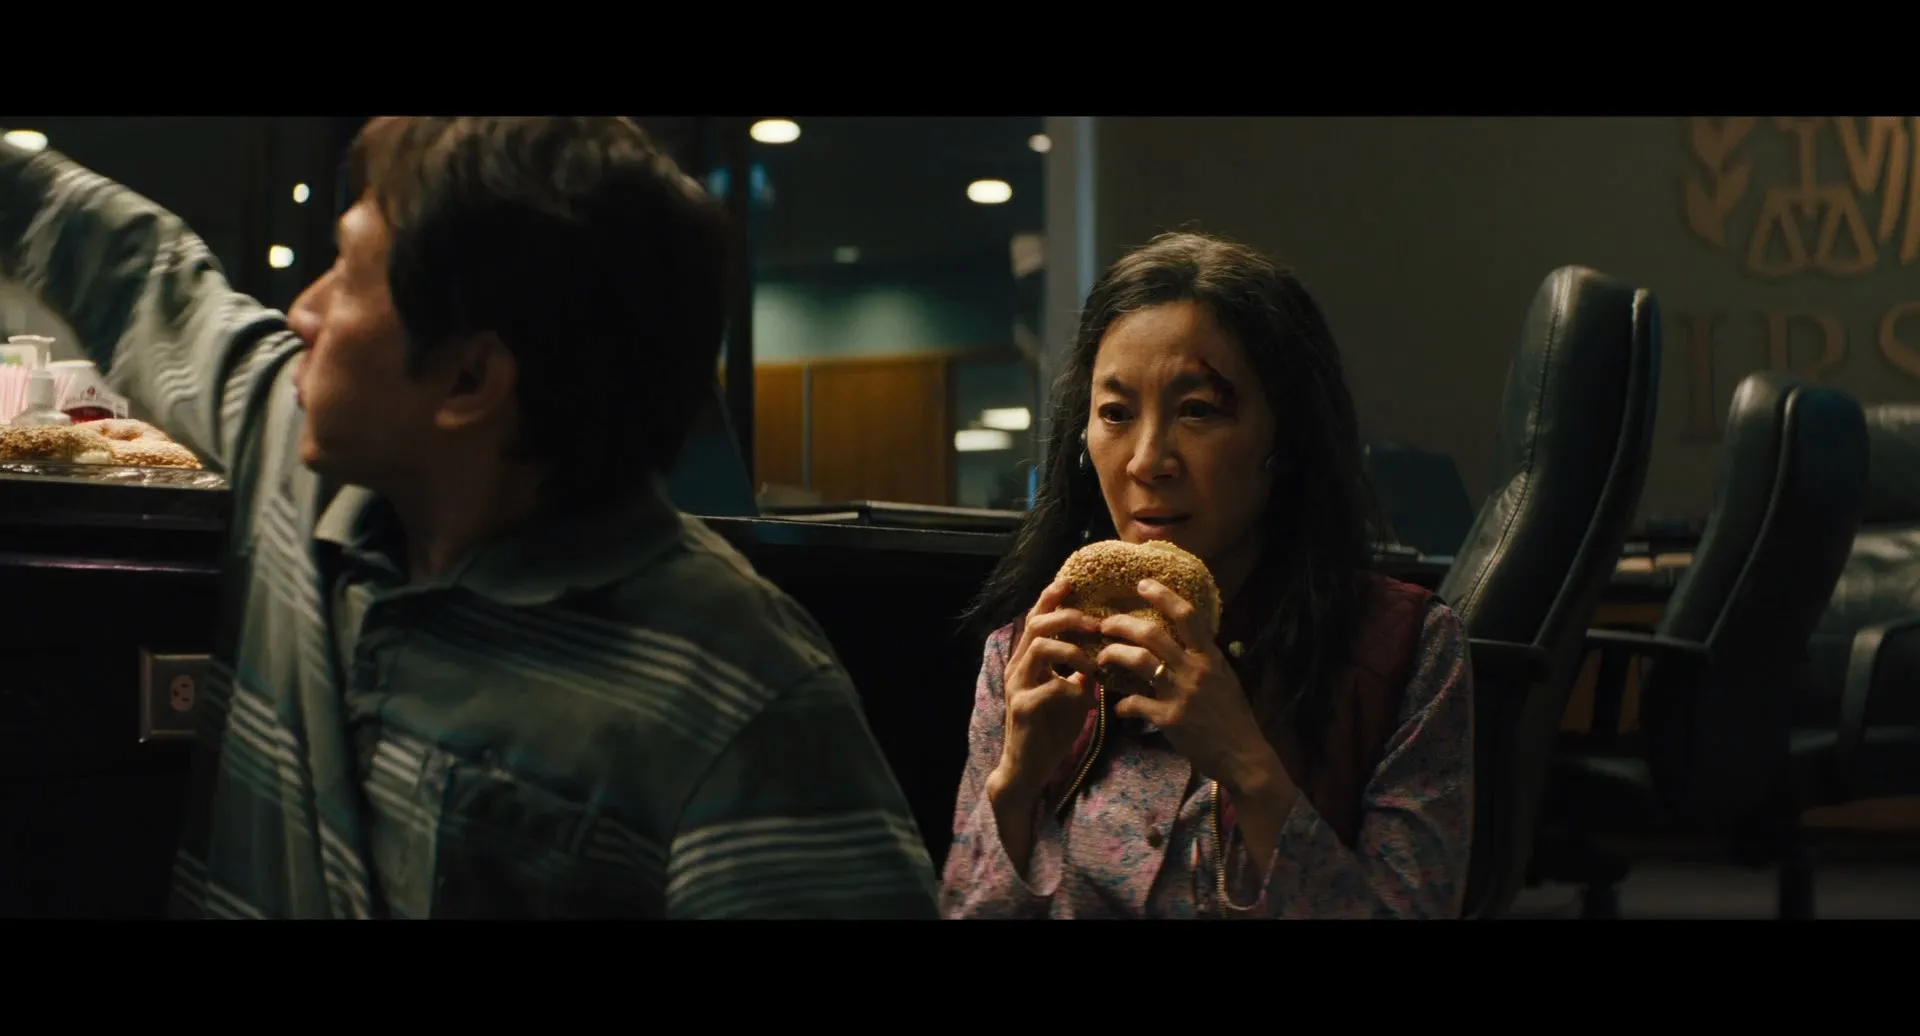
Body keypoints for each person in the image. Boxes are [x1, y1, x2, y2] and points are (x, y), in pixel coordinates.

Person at [0, 118, 939, 919]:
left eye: (345, 273)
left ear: (469, 379)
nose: (302, 313)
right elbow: (135, 268)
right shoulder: (294, 460)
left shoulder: (743, 695)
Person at [940, 232, 1474, 919]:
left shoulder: (1405, 651)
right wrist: (1016, 783)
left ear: (1286, 438)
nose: (1147, 460)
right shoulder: (1028, 649)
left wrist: (1247, 767)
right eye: (1115, 414)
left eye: (1198, 410)